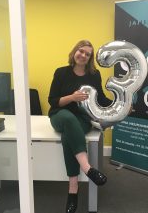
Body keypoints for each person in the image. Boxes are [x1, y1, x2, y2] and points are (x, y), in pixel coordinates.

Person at [48, 40, 112, 213]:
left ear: (90, 58)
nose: (83, 55)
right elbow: (53, 101)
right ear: (75, 51)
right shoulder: (61, 72)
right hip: (59, 115)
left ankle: (73, 191)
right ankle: (88, 169)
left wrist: (119, 104)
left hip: (82, 118)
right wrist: (72, 98)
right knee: (69, 120)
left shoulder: (94, 74)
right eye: (81, 51)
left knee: (67, 136)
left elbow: (101, 99)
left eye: (87, 54)